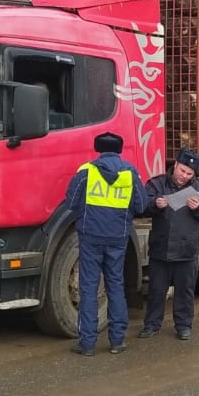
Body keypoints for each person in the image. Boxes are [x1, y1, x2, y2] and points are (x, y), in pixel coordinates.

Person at [64, 132, 148, 356]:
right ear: (120, 149)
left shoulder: (87, 171)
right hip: (118, 237)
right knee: (115, 286)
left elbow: (71, 202)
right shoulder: (130, 172)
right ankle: (117, 340)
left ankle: (87, 343)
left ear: (97, 149)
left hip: (90, 236)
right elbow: (141, 205)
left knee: (89, 288)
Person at [140, 148, 199, 341]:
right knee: (156, 290)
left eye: (189, 173)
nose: (184, 176)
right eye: (182, 171)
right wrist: (154, 205)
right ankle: (151, 325)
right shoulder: (157, 183)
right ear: (175, 165)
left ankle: (183, 325)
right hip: (161, 248)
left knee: (185, 290)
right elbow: (141, 204)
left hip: (187, 249)